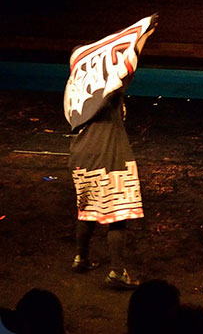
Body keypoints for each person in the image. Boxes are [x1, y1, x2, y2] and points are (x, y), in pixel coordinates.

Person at [64, 15, 157, 289]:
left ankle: (80, 258)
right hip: (110, 158)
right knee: (117, 216)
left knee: (88, 211)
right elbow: (127, 67)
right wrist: (143, 37)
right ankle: (117, 271)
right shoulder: (106, 91)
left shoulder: (74, 91)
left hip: (81, 157)